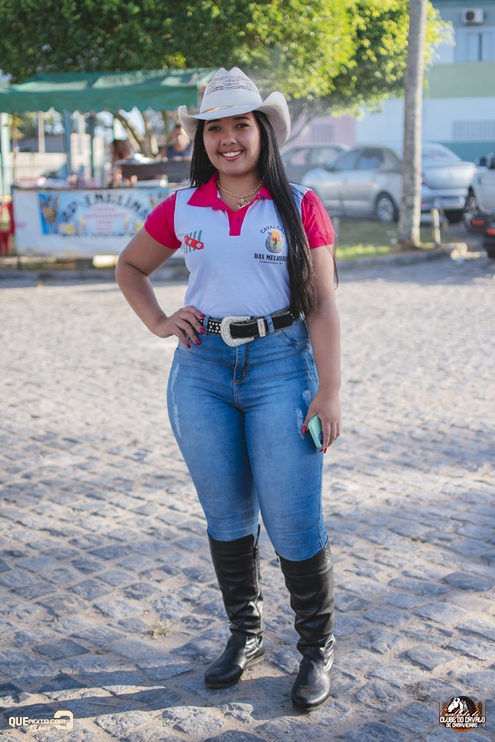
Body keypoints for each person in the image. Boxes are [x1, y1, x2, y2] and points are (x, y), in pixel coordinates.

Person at [116, 67, 341, 712]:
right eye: (214, 129)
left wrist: (328, 392)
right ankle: (246, 634)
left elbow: (324, 305)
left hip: (281, 368)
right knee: (227, 517)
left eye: (241, 125)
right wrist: (160, 320)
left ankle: (316, 649)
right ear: (202, 139)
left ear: (263, 131)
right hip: (202, 372)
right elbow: (130, 267)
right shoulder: (184, 205)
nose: (227, 139)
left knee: (293, 520)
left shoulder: (300, 204)